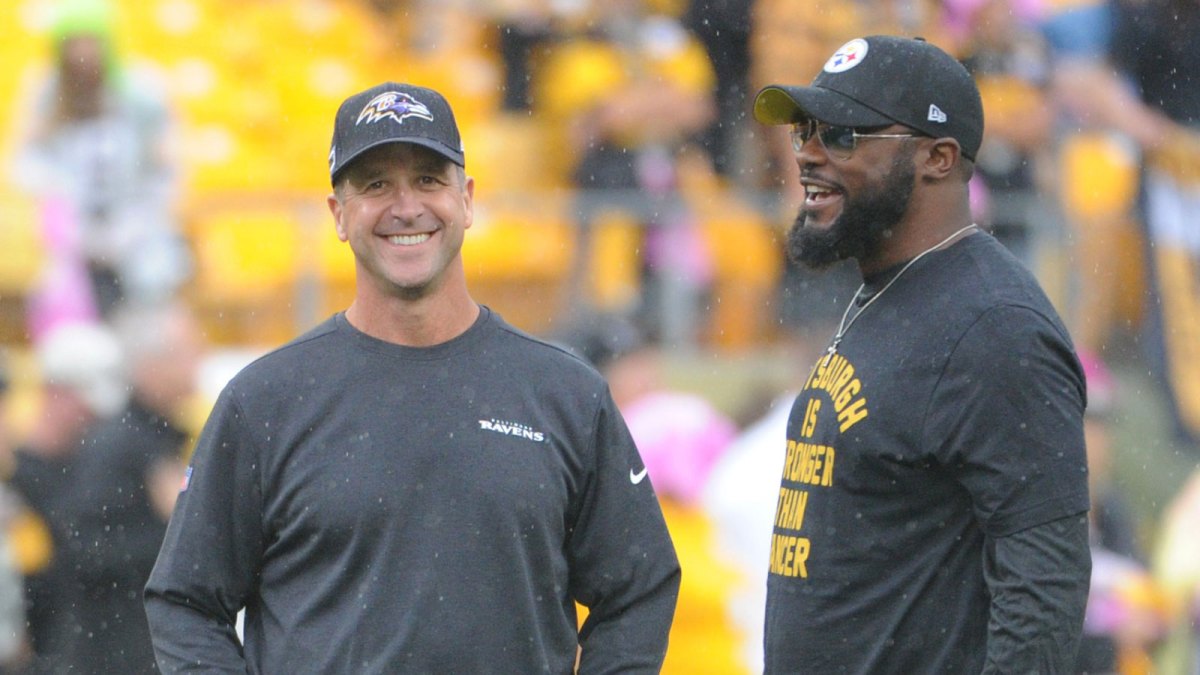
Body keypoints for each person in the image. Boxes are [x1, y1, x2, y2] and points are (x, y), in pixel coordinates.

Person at [144, 82, 680, 673]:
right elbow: (186, 602)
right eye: (375, 184)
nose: (406, 206)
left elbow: (638, 586)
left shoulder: (565, 393)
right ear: (338, 214)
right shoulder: (265, 400)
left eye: (428, 179)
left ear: (468, 200)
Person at [751, 35, 1091, 672]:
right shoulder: (889, 291)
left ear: (937, 157)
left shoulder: (995, 326)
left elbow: (1044, 593)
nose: (809, 156)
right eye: (806, 131)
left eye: (844, 135)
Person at [64, 303, 200, 674]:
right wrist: (176, 533)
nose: (198, 364)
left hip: (144, 646)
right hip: (115, 650)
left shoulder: (159, 440)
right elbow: (82, 549)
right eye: (188, 353)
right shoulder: (117, 445)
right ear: (150, 366)